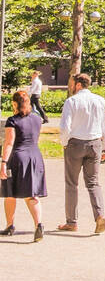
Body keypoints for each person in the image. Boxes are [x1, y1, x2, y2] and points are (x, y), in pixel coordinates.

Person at [58, 73, 105, 234]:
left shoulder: (71, 101)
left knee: (72, 183)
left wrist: (65, 143)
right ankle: (99, 214)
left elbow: (65, 127)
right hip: (95, 143)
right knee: (93, 183)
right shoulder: (100, 101)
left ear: (78, 85)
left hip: (76, 143)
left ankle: (72, 221)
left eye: (72, 83)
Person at [1, 90, 46, 242]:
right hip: (35, 156)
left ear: (14, 103)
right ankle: (38, 224)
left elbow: (9, 143)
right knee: (32, 193)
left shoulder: (12, 121)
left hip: (18, 158)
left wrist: (3, 162)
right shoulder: (37, 119)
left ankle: (10, 225)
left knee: (9, 192)